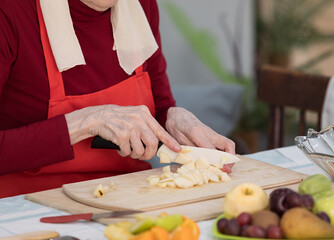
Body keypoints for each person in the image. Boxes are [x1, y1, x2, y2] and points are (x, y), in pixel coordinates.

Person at [0, 0, 235, 198]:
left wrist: (174, 119)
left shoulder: (141, 6)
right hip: (27, 207)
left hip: (125, 199)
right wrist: (86, 121)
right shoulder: (10, 12)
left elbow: (159, 106)